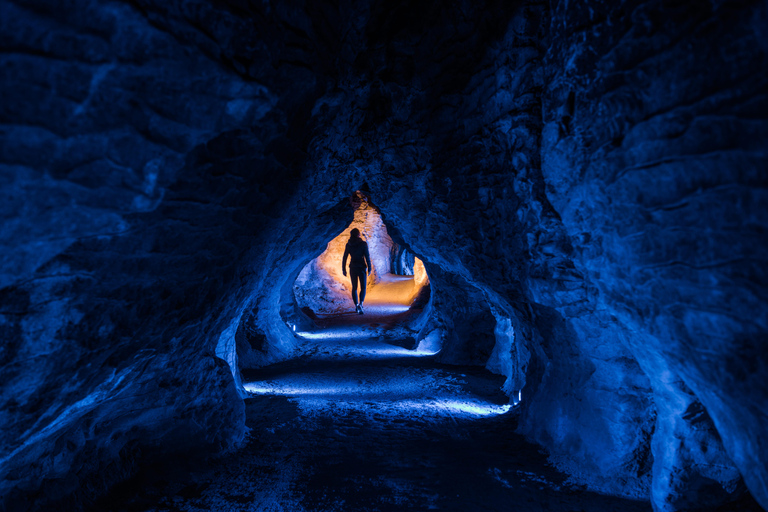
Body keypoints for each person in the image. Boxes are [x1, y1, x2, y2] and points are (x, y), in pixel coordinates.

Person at [342, 228, 372, 314]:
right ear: (358, 234)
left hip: (353, 267)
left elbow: (345, 257)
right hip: (361, 267)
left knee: (354, 287)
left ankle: (356, 306)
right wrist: (369, 268)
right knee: (363, 287)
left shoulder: (349, 244)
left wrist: (343, 269)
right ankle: (361, 304)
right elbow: (367, 257)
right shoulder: (363, 244)